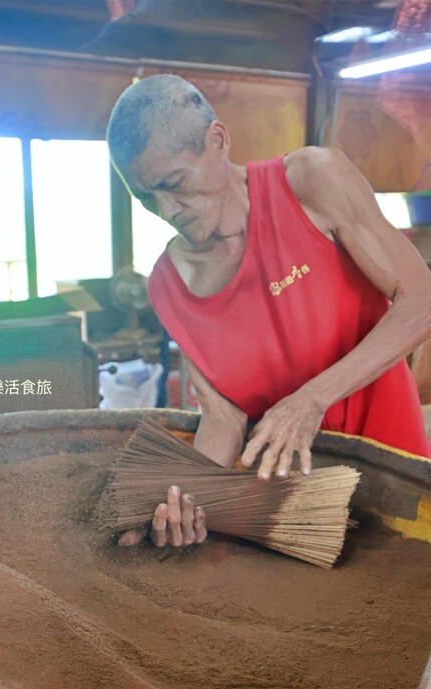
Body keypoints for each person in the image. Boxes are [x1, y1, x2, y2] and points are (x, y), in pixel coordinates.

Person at [106, 74, 431, 548]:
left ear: (217, 140)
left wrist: (310, 400)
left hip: (390, 467)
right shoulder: (168, 285)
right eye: (146, 197)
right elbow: (223, 417)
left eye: (174, 183)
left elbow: (420, 299)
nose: (168, 209)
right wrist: (186, 499)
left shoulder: (311, 182)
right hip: (293, 507)